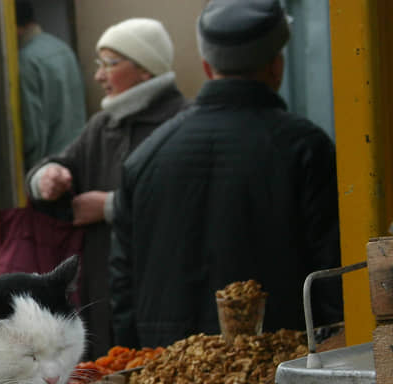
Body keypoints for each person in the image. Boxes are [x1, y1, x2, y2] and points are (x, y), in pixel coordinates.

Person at [109, 0, 343, 350]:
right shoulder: (306, 149)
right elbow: (333, 282)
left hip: (168, 377)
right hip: (283, 382)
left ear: (207, 67)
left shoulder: (146, 156)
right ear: (276, 68)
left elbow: (122, 291)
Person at [25, 17, 186, 358]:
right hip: (103, 295)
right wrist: (46, 177)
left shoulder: (182, 123)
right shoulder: (102, 126)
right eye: (99, 64)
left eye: (109, 64)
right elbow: (63, 164)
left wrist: (112, 206)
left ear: (145, 70)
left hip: (165, 296)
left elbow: (188, 205)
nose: (98, 76)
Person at [16, 1, 87, 170]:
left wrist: (29, 175)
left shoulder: (26, 60)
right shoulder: (61, 47)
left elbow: (32, 132)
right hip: (77, 159)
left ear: (13, 27)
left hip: (48, 172)